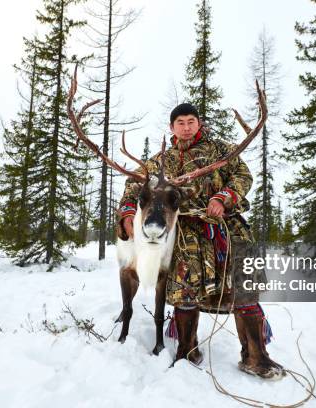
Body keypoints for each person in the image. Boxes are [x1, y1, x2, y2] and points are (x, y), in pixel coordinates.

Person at [116, 103, 285, 379]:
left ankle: (256, 356)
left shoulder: (221, 150)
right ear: (172, 127)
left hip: (226, 227)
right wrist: (127, 214)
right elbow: (133, 188)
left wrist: (224, 197)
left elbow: (243, 176)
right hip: (186, 235)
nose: (186, 127)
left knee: (245, 286)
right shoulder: (159, 162)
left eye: (191, 121)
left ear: (199, 123)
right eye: (180, 122)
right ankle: (186, 349)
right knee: (185, 290)